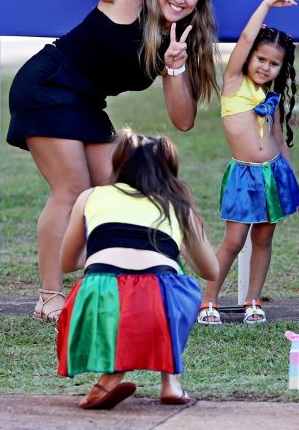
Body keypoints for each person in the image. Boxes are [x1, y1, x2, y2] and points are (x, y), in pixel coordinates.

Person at [0, 0, 219, 323]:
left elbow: (183, 120)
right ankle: (50, 296)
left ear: (198, 2)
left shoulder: (184, 40)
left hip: (88, 103)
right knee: (72, 190)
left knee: (115, 190)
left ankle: (112, 279)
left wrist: (174, 66)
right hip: (49, 82)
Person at [56, 131, 219, 410]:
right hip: (159, 302)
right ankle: (171, 382)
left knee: (107, 287)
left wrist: (103, 249)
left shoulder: (90, 197)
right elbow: (210, 270)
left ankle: (111, 374)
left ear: (118, 164)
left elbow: (67, 262)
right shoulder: (178, 206)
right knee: (178, 281)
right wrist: (177, 245)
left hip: (99, 297)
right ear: (169, 169)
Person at [197, 0, 299, 326]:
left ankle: (253, 300)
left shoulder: (268, 96)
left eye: (273, 64)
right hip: (244, 176)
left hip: (273, 175)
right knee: (233, 241)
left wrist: (291, 178)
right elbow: (246, 38)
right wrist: (265, 6)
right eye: (260, 58)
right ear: (249, 56)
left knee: (264, 238)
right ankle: (208, 301)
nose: (265, 67)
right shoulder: (233, 83)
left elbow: (274, 138)